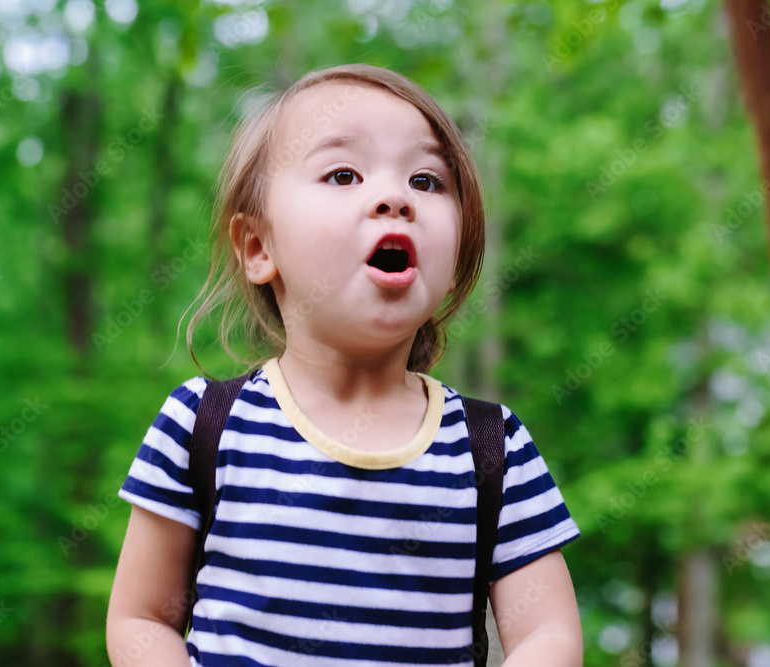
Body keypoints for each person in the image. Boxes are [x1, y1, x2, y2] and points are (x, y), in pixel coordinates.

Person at [106, 63, 582, 666]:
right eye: (344, 174)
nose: (394, 197)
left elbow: (548, 635)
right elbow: (141, 617)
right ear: (258, 247)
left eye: (427, 180)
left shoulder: (492, 449)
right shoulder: (203, 426)